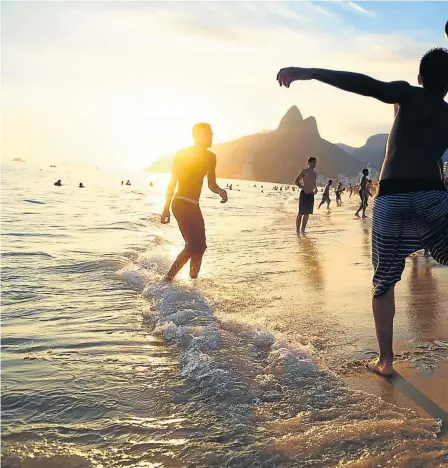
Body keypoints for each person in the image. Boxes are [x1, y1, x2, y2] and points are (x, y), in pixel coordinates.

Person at [277, 47, 448, 376]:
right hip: (432, 198)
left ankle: (385, 361)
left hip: (393, 198)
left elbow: (362, 83)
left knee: (384, 282)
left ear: (419, 78)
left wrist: (310, 71)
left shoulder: (406, 93)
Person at [161, 123, 227, 280]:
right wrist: (165, 209)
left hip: (194, 205)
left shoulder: (211, 157)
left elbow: (211, 184)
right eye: (209, 134)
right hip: (180, 203)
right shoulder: (182, 154)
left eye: (212, 133)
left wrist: (220, 191)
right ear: (198, 136)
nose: (212, 136)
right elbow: (172, 182)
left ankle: (193, 280)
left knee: (201, 246)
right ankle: (167, 279)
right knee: (192, 246)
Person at [294, 157, 318, 234]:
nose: (314, 164)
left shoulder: (315, 173)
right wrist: (302, 187)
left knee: (307, 214)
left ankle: (303, 230)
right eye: (313, 162)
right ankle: (297, 230)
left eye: (315, 162)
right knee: (301, 213)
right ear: (309, 162)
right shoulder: (304, 171)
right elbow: (296, 181)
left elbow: (313, 183)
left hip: (311, 195)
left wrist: (316, 189)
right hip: (304, 194)